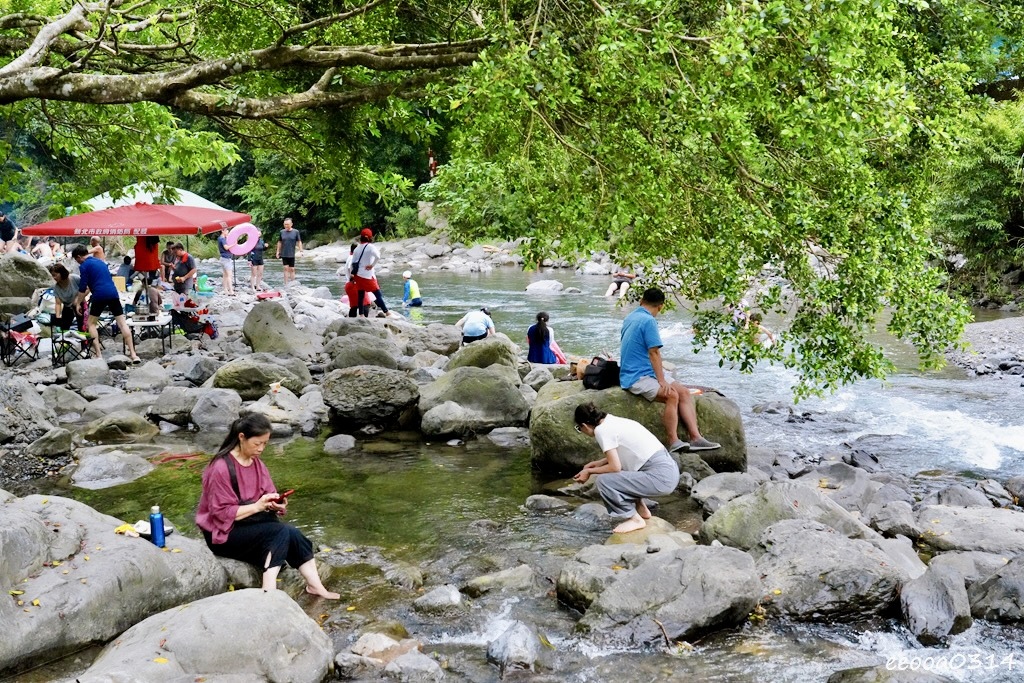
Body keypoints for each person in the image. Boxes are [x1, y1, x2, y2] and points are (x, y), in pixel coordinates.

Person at [195, 414, 340, 598]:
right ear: (241, 437)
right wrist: (257, 506)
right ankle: (268, 591)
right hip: (223, 534)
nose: (261, 449)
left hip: (249, 525)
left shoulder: (257, 464)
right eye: (257, 444)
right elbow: (222, 514)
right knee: (280, 533)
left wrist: (275, 505)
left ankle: (316, 586)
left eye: (265, 443)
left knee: (293, 533)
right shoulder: (220, 468)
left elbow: (268, 495)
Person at [619, 287, 719, 453]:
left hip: (644, 371)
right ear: (661, 306)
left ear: (641, 301)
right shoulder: (648, 321)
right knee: (671, 395)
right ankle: (673, 441)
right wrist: (662, 380)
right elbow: (654, 352)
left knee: (684, 392)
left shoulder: (631, 316)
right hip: (636, 376)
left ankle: (696, 438)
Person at [572, 403, 681, 533]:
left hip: (660, 477)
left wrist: (589, 471)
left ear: (584, 425)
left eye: (579, 428)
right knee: (625, 473)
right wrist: (599, 463)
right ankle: (642, 510)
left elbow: (615, 467)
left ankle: (634, 519)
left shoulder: (601, 431)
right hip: (670, 471)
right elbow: (627, 453)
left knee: (604, 481)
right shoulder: (615, 421)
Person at [70, 245, 141, 363]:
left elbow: (83, 287)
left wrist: (78, 303)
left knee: (91, 324)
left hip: (99, 295)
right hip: (113, 293)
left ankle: (98, 355)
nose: (77, 262)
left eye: (76, 260)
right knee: (122, 323)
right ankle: (133, 354)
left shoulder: (84, 266)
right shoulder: (100, 262)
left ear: (79, 257)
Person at [348, 228, 392, 318]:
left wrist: (353, 275)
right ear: (369, 238)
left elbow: (353, 263)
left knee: (361, 295)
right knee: (378, 294)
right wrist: (372, 265)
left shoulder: (356, 249)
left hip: (358, 275)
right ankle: (387, 313)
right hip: (367, 275)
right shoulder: (370, 247)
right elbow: (378, 256)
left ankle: (361, 315)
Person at [48, 263, 83, 332]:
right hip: (67, 306)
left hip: (79, 303)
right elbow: (58, 303)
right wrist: (58, 317)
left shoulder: (74, 278)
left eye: (55, 275)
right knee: (64, 327)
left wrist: (77, 299)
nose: (54, 278)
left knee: (82, 325)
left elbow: (86, 288)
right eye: (53, 276)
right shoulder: (56, 288)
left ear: (62, 273)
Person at [275, 217, 302, 285]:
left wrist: (301, 250)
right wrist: (278, 251)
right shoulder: (282, 232)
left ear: (291, 224)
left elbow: (299, 241)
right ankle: (286, 283)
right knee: (285, 268)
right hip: (284, 253)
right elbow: (279, 242)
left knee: (292, 269)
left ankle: (293, 283)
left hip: (291, 253)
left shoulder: (296, 232)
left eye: (287, 224)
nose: (286, 226)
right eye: (285, 224)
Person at [216, 228, 235, 295]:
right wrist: (234, 244)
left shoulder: (219, 238)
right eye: (227, 231)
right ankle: (231, 291)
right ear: (222, 231)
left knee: (225, 275)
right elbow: (226, 247)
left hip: (222, 258)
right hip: (226, 259)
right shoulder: (223, 239)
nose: (228, 232)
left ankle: (225, 290)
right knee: (229, 275)